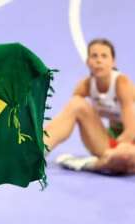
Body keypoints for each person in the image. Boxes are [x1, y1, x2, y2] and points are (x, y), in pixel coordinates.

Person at [44, 38, 135, 175]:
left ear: (113, 62)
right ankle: (36, 152)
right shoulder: (85, 86)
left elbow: (130, 132)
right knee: (76, 103)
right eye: (94, 56)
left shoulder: (122, 84)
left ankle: (88, 164)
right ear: (88, 62)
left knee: (124, 157)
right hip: (111, 143)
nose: (99, 60)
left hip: (128, 144)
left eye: (104, 56)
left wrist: (119, 151)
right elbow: (67, 117)